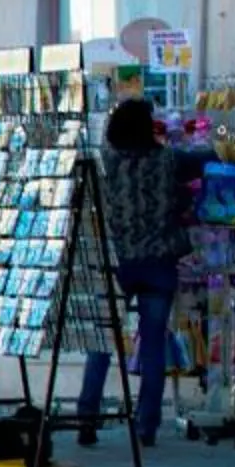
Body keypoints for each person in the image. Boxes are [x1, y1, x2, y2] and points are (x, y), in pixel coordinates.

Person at [77, 96, 197, 448]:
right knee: (153, 345)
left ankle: (87, 417)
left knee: (101, 341)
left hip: (116, 262)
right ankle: (147, 425)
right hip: (158, 262)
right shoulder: (169, 161)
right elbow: (207, 162)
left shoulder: (104, 163)